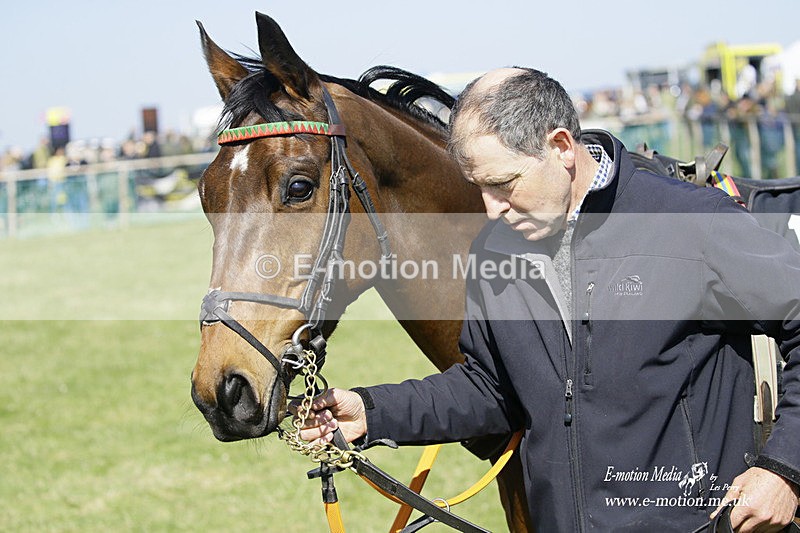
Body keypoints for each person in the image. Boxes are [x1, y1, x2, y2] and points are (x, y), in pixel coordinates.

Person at [298, 68, 800, 531]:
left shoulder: (690, 223)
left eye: (503, 184)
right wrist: (372, 411)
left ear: (561, 147)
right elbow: (491, 388)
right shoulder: (495, 249)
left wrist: (784, 469)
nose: (490, 209)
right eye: (479, 187)